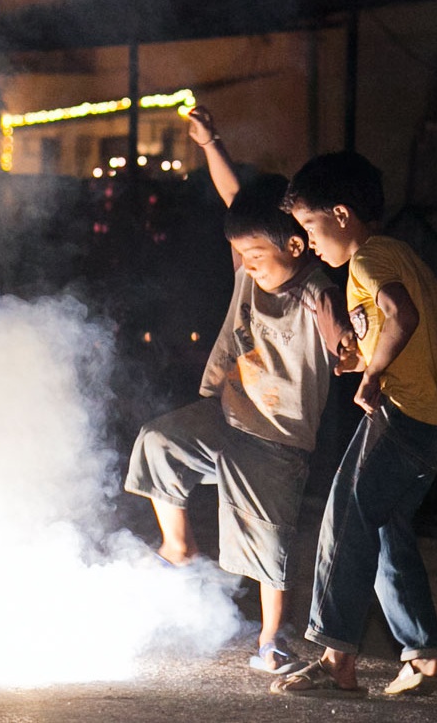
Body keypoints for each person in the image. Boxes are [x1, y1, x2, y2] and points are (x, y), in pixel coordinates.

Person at [123, 107, 355, 675]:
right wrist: (211, 142)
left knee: (268, 546)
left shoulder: (317, 293)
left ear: (297, 248)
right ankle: (178, 547)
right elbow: (237, 203)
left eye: (257, 257)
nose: (248, 267)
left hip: (277, 439)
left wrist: (351, 348)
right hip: (224, 413)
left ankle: (273, 639)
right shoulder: (252, 266)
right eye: (244, 256)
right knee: (157, 442)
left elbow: (346, 348)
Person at [270, 150, 437, 697]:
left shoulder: (366, 262)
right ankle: (425, 659)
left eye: (310, 226)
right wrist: (373, 357)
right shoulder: (404, 254)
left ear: (340, 214)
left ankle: (336, 657)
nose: (309, 242)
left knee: (344, 515)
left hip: (401, 417)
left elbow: (403, 314)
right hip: (436, 424)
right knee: (385, 528)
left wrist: (375, 373)